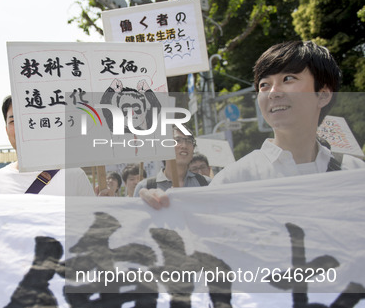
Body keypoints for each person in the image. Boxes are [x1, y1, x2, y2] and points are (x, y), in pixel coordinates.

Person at [141, 40, 365, 209]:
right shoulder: (234, 180)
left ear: (323, 95)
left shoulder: (355, 175)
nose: (273, 93)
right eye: (265, 85)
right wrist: (162, 213)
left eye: (288, 79)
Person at [0, 96, 95, 196]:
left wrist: (106, 204)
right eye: (13, 121)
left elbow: (93, 219)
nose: (22, 128)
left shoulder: (73, 176)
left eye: (29, 119)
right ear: (6, 130)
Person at [133, 126, 210, 197]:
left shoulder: (207, 184)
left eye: (189, 141)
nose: (184, 145)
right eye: (177, 140)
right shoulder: (145, 187)